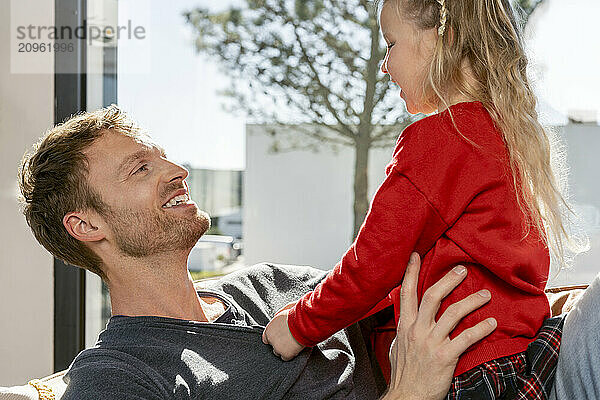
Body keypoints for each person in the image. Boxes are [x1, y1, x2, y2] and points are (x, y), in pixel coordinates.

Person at [17, 106, 496, 399]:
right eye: (139, 170)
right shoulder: (119, 376)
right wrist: (411, 394)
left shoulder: (272, 285)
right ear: (87, 225)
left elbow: (392, 285)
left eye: (163, 156)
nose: (178, 169)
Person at [263, 0, 584, 398]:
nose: (384, 65)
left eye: (391, 44)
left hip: (467, 369)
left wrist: (299, 326)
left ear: (442, 39)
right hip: (520, 357)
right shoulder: (509, 138)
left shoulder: (440, 139)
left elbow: (372, 265)